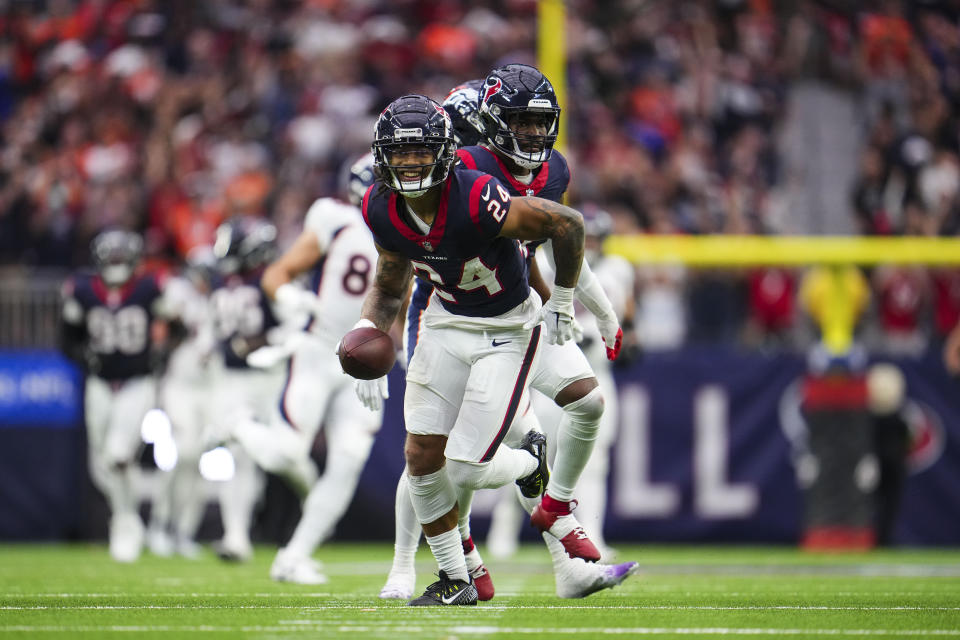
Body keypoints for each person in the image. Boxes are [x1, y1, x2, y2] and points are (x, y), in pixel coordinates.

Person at [380, 66, 636, 601]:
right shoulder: (464, 171)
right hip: (445, 310)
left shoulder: (546, 173)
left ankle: (556, 523)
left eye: (539, 124)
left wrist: (594, 310)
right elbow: (405, 255)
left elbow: (549, 237)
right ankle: (427, 564)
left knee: (576, 408)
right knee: (436, 452)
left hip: (511, 311)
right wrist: (374, 326)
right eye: (519, 123)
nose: (532, 136)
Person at [227, 153, 384, 584]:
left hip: (367, 361)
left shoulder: (412, 233)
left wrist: (400, 352)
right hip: (318, 350)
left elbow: (402, 303)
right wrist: (293, 300)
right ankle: (240, 425)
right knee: (287, 453)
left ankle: (294, 556)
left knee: (349, 460)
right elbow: (276, 275)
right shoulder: (338, 220)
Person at [59, 229, 178, 562]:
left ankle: (124, 524)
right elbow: (67, 339)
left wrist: (160, 352)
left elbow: (175, 326)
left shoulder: (149, 287)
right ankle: (127, 516)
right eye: (111, 259)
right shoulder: (82, 290)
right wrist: (84, 356)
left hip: (136, 381)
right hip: (99, 384)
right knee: (102, 465)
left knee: (118, 453)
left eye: (121, 259)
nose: (116, 264)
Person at [208, 216, 285, 562]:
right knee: (237, 455)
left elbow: (297, 327)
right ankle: (235, 536)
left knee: (277, 456)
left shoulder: (273, 280)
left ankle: (316, 514)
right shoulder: (221, 281)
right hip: (232, 379)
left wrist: (261, 340)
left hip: (270, 378)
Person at [148, 246, 219, 558]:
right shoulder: (179, 291)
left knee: (199, 463)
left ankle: (184, 532)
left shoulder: (222, 299)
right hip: (179, 384)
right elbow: (163, 323)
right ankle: (159, 525)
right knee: (182, 454)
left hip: (210, 389)